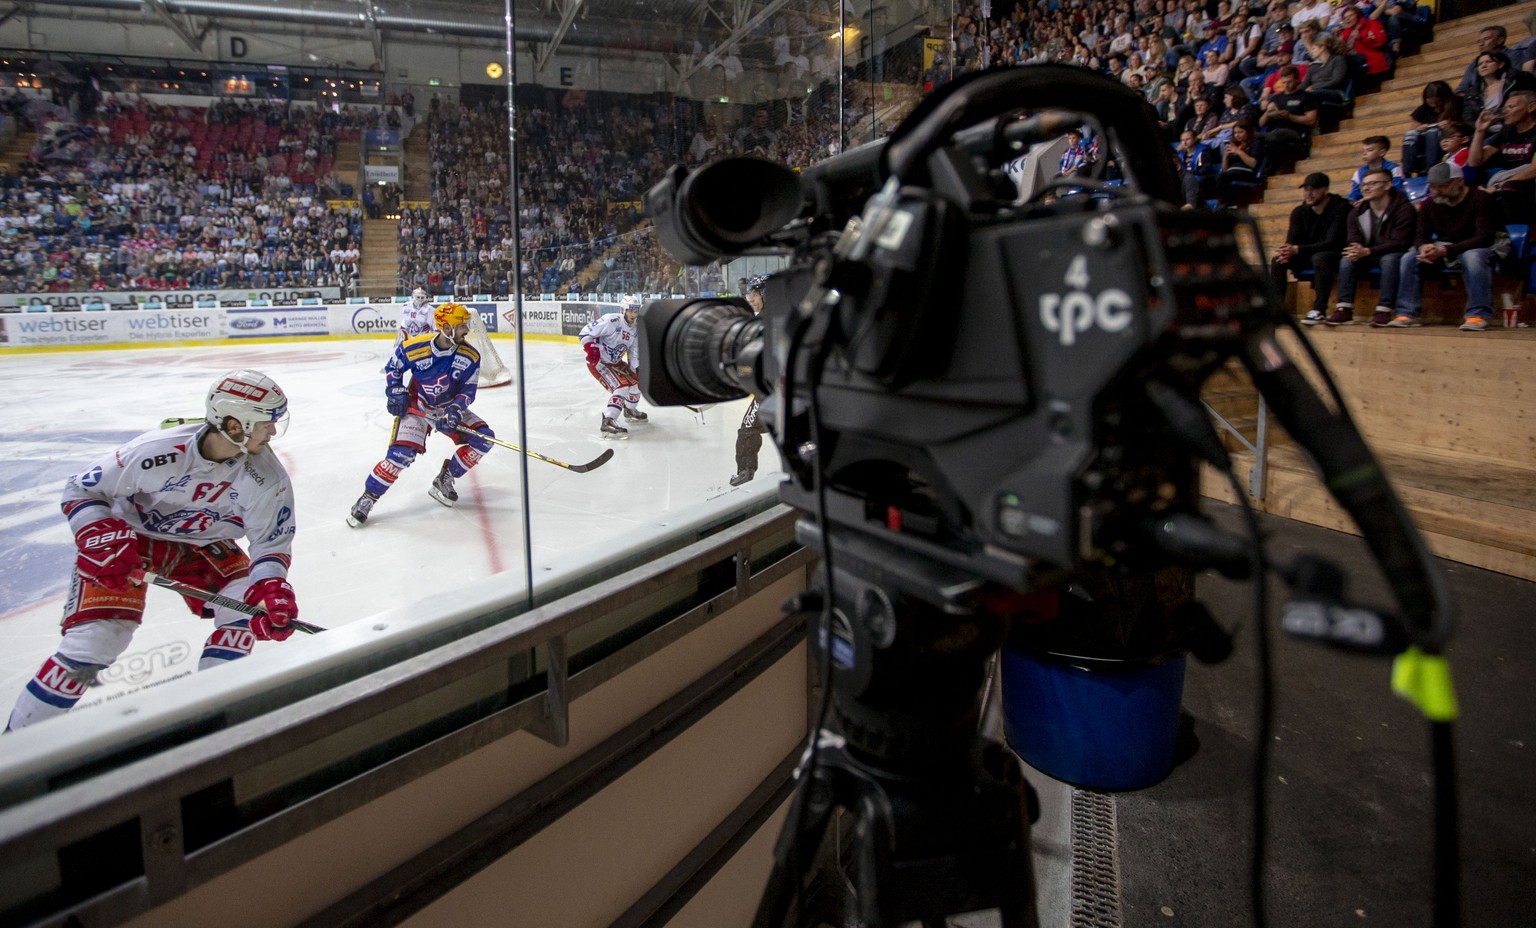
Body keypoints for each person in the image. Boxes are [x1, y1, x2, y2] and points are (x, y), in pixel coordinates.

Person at [7, 371, 299, 731]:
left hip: (205, 545)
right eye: (267, 423)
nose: (272, 433)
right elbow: (81, 489)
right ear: (235, 424)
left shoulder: (266, 477)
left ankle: (213, 722)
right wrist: (97, 532)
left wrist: (270, 587)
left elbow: (270, 542)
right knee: (96, 640)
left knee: (243, 611)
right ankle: (16, 746)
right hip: (129, 541)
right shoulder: (154, 452)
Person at [347, 302, 496, 526]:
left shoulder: (470, 356)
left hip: (448, 408)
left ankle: (445, 479)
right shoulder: (415, 347)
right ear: (446, 327)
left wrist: (455, 410)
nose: (467, 330)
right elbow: (393, 367)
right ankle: (368, 497)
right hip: (418, 407)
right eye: (462, 325)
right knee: (399, 457)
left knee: (484, 439)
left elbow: (467, 391)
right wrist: (395, 390)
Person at [1389, 161, 1500, 331]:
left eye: (1443, 186)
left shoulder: (1481, 199)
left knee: (1473, 256)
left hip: (1480, 245)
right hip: (1446, 247)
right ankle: (1408, 313)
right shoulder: (1430, 203)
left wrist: (1445, 250)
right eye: (1433, 186)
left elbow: (1484, 237)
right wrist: (1424, 247)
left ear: (1459, 182)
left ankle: (1478, 314)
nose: (1437, 191)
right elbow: (1420, 236)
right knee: (1410, 257)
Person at [1332, 167, 1417, 326]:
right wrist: (1356, 247)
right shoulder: (1356, 212)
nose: (1366, 188)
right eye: (1364, 185)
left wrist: (1367, 251)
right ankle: (1344, 309)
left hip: (1395, 252)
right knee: (1347, 259)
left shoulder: (1404, 209)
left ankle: (1384, 309)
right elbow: (1353, 236)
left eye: (1372, 184)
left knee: (1390, 259)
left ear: (1387, 185)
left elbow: (1400, 242)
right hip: (1367, 253)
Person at [1272, 171, 1350, 325]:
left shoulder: (1342, 208)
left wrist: (1297, 249)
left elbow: (1333, 242)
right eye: (1306, 189)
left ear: (1325, 190)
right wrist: (1287, 252)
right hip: (1308, 253)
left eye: (1313, 189)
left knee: (1320, 257)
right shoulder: (1299, 212)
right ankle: (1276, 310)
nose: (1308, 194)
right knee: (1278, 260)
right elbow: (1292, 241)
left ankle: (1319, 309)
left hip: (1335, 254)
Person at [580, 295, 647, 440]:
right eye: (630, 311)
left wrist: (637, 369)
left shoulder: (635, 329)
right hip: (599, 363)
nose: (633, 315)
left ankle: (629, 410)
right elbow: (585, 332)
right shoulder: (611, 320)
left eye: (636, 311)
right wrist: (591, 349)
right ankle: (608, 421)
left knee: (636, 383)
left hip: (616, 362)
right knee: (621, 387)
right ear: (623, 310)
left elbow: (634, 353)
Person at [1468, 89, 1536, 225]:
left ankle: (1521, 235)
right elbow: (1474, 161)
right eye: (1505, 108)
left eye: (1511, 107)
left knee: (1509, 188)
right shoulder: (1507, 131)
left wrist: (1499, 186)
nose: (1505, 112)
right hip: (1506, 179)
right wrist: (1480, 130)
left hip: (1527, 182)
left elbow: (1534, 169)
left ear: (1531, 107)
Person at [731, 275, 771, 486]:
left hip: (771, 390)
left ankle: (745, 472)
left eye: (755, 295)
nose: (752, 299)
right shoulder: (776, 316)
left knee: (748, 427)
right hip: (782, 387)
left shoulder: (764, 321)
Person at [1260, 65, 1320, 166]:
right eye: (1284, 82)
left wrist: (1289, 116)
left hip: (1296, 132)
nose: (1286, 85)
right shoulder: (1276, 98)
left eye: (1289, 82)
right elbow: (1261, 123)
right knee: (1255, 136)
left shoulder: (1305, 96)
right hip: (1276, 131)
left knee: (1277, 134)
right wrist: (1268, 112)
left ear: (1297, 80)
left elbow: (1311, 120)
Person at [1346, 136, 1405, 200]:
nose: (1364, 154)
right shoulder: (1359, 172)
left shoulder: (1394, 169)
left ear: (1382, 152)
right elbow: (1355, 193)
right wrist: (1352, 201)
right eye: (1363, 151)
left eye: (1369, 150)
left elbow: (1397, 190)